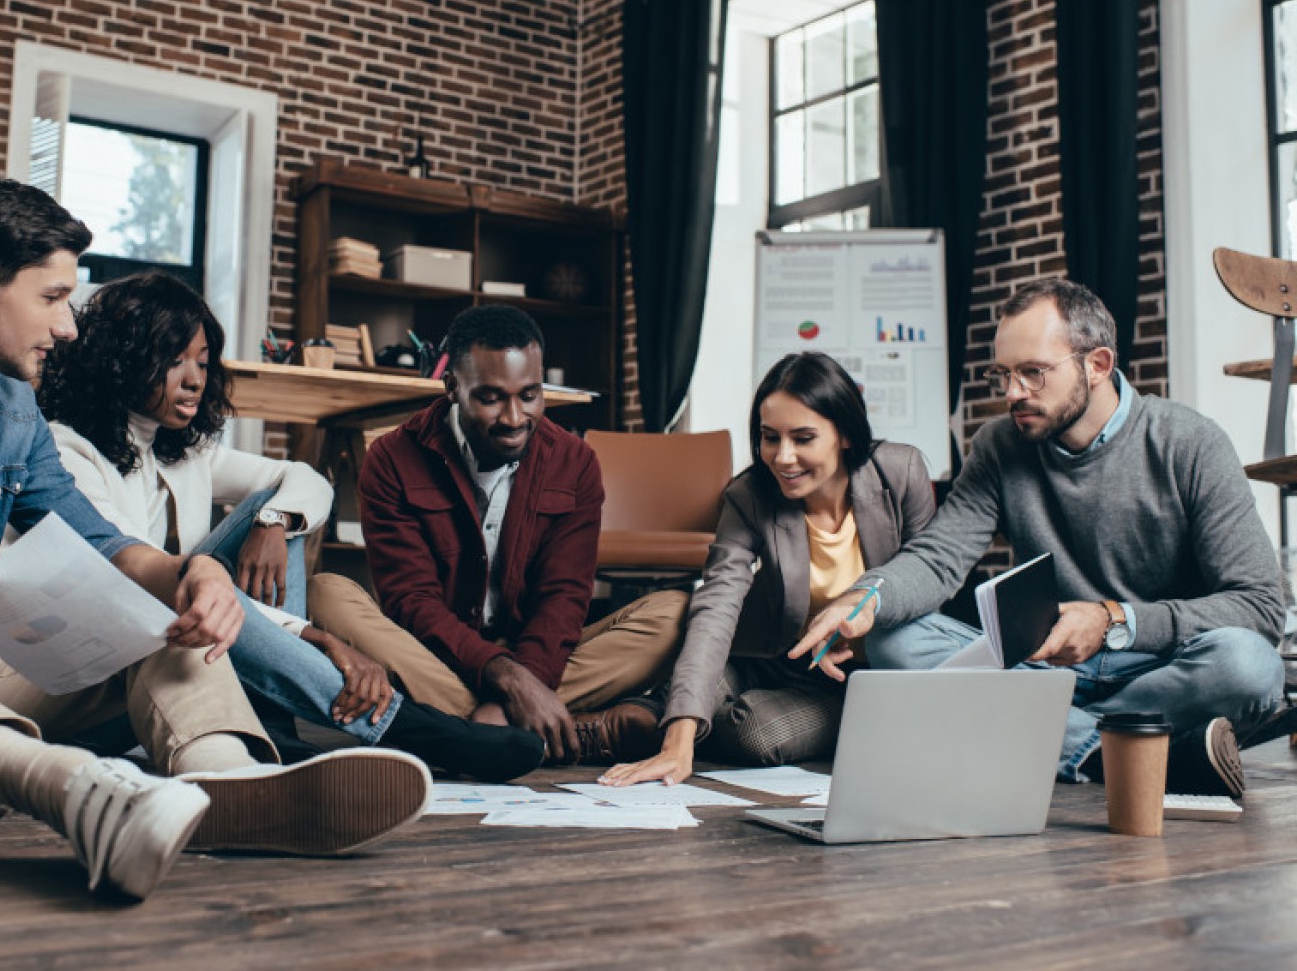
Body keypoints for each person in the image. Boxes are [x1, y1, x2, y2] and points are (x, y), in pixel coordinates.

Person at [0, 180, 430, 903]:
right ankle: (70, 794)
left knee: (153, 618)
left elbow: (99, 542)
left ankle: (225, 783)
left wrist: (193, 575)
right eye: (51, 297)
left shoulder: (12, 411)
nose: (67, 326)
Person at [36, 271, 544, 783]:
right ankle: (408, 728)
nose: (194, 379)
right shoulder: (67, 451)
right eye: (174, 361)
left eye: (203, 363)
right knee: (200, 576)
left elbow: (304, 479)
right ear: (122, 360)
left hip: (187, 641)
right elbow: (144, 584)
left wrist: (274, 522)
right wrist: (317, 636)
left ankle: (275, 730)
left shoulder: (181, 449)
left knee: (274, 506)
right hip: (109, 681)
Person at [793, 278, 1290, 798]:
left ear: (1097, 364)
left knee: (1249, 664)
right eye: (1003, 375)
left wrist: (1113, 620)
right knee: (892, 636)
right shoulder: (999, 444)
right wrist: (867, 597)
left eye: (1033, 373)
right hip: (1044, 666)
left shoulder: (1190, 443)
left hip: (1161, 666)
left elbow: (1257, 607)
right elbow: (940, 558)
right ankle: (1104, 751)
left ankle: (1042, 733)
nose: (1012, 394)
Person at [310, 304, 688, 764]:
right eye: (491, 398)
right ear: (452, 388)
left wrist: (524, 678)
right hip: (436, 658)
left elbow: (564, 598)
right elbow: (412, 603)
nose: (514, 417)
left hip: (541, 655)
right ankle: (564, 729)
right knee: (324, 593)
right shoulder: (391, 459)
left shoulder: (575, 462)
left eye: (529, 395)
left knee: (676, 613)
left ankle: (469, 731)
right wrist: (509, 681)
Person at [600, 352, 935, 787]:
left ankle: (655, 714)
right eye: (770, 437)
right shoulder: (750, 495)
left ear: (845, 435)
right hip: (770, 661)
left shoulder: (901, 473)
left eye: (803, 437)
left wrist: (859, 629)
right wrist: (679, 738)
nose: (783, 457)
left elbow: (929, 580)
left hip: (857, 681)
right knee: (693, 693)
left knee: (754, 733)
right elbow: (718, 602)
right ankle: (616, 730)